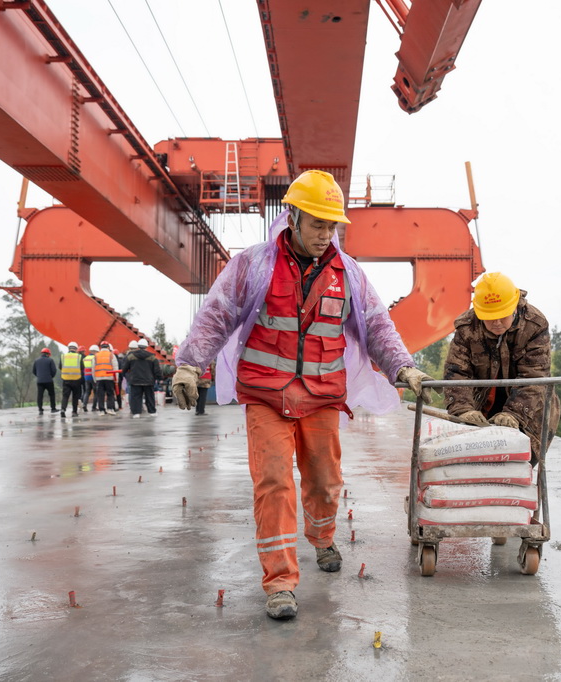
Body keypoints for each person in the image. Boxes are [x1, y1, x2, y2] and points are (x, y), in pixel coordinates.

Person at [171, 170, 432, 621]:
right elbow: (217, 314)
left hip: (322, 396)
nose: (326, 234)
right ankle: (280, 582)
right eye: (317, 224)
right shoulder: (253, 265)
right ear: (292, 217)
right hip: (267, 396)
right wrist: (190, 364)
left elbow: (376, 325)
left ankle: (323, 536)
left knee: (325, 482)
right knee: (273, 483)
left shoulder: (348, 275)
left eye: (332, 226)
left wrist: (402, 367)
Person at [443, 271, 561, 462]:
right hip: (481, 403)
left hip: (529, 406)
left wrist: (514, 414)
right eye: (490, 317)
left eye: (502, 316)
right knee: (474, 460)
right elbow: (456, 373)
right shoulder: (467, 328)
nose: (497, 323)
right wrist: (463, 409)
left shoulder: (534, 325)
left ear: (514, 306)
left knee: (520, 460)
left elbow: (535, 377)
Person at [124, 338, 161, 418]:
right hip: (148, 381)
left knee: (136, 397)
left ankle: (136, 413)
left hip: (135, 380)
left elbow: (125, 368)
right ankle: (152, 412)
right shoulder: (152, 357)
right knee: (149, 397)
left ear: (138, 346)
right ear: (146, 347)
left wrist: (127, 376)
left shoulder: (131, 356)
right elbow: (157, 370)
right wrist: (159, 378)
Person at [59, 342, 85, 418]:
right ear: (76, 349)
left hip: (66, 379)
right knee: (75, 396)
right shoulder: (79, 356)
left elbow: (60, 366)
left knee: (65, 396)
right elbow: (82, 367)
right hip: (76, 379)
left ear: (68, 348)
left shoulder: (63, 356)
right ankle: (74, 412)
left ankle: (63, 410)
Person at [93, 341, 119, 415]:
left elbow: (93, 368)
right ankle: (110, 408)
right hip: (109, 378)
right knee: (110, 394)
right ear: (108, 347)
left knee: (100, 395)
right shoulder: (111, 355)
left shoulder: (96, 355)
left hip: (99, 378)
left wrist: (95, 379)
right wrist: (116, 379)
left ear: (100, 347)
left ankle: (101, 410)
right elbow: (115, 367)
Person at [32, 347, 58, 414]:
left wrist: (39, 376)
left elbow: (33, 371)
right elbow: (54, 370)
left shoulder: (36, 361)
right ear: (48, 354)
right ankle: (53, 408)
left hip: (40, 381)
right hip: (49, 381)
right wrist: (50, 376)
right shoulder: (50, 360)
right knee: (52, 394)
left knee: (40, 395)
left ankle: (40, 409)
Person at [82, 344, 97, 412]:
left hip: (86, 377)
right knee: (95, 392)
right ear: (95, 351)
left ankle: (84, 405)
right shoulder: (95, 358)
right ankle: (94, 407)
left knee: (87, 392)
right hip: (93, 377)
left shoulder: (85, 358)